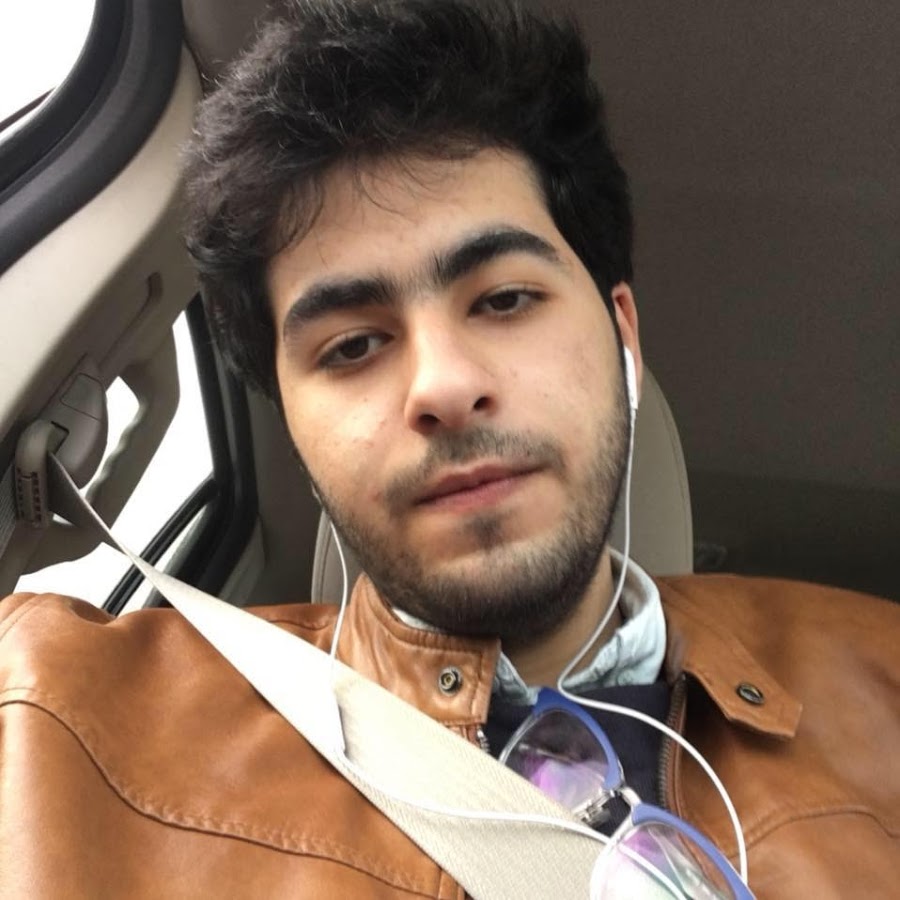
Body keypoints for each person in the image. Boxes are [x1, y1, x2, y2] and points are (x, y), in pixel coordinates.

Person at [1, 1, 897, 897]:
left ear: (623, 336)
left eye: (504, 300)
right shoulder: (50, 723)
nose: (442, 385)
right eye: (353, 345)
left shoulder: (882, 686)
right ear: (295, 431)